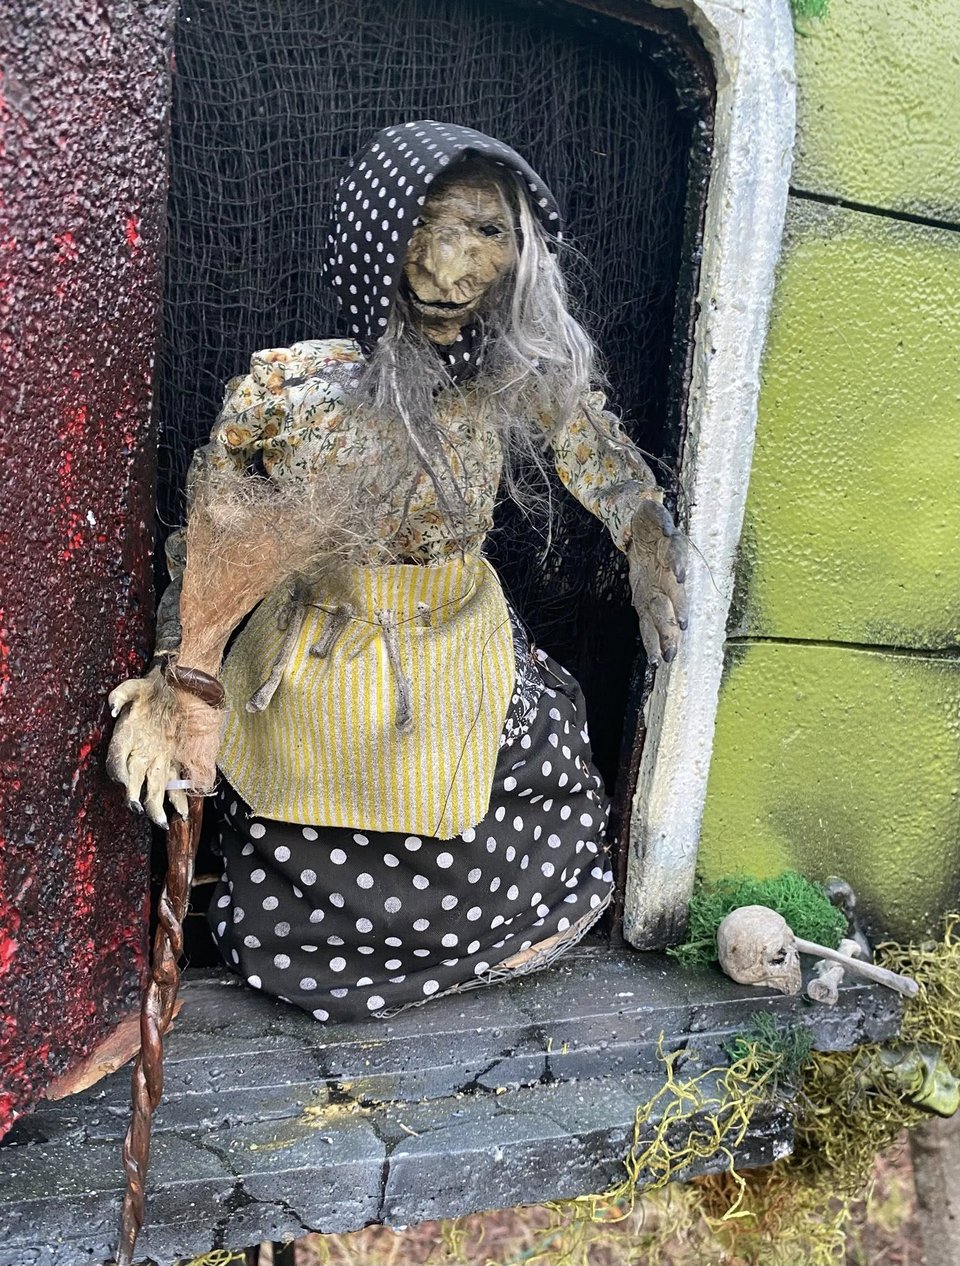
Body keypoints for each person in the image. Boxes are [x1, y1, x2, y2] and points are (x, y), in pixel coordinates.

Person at [108, 122, 686, 1023]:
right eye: (422, 225)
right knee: (302, 793)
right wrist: (175, 678)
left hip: (457, 627)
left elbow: (600, 455)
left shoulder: (516, 380)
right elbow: (209, 543)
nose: (449, 269)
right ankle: (321, 957)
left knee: (524, 759)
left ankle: (486, 938)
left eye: (487, 233)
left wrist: (646, 540)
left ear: (522, 254)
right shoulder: (289, 391)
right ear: (371, 234)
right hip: (322, 644)